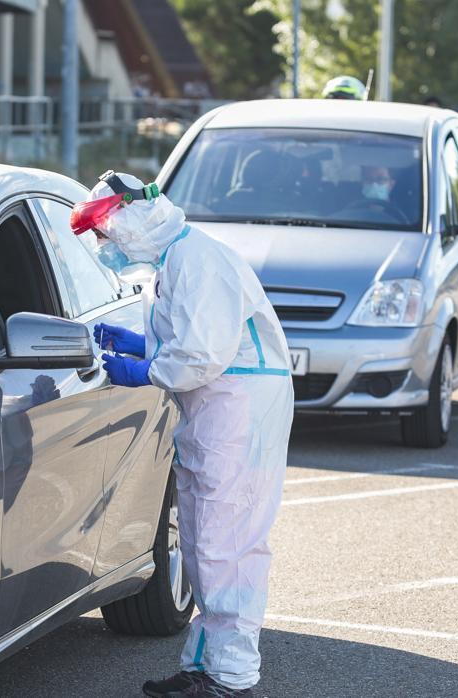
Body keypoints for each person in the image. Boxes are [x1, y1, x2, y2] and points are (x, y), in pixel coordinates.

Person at [70, 171, 295, 698]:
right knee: (199, 541)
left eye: (103, 234)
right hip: (217, 407)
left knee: (228, 543)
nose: (103, 246)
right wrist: (141, 344)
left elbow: (199, 354)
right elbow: (187, 338)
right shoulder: (176, 261)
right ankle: (206, 667)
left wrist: (143, 370)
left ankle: (231, 677)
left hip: (238, 408)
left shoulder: (199, 261)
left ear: (130, 221)